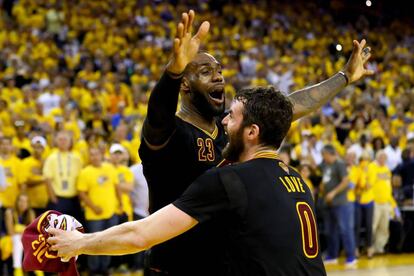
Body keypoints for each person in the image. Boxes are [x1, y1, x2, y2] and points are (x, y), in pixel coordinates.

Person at [138, 10, 373, 275]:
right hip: (174, 265)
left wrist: (343, 77)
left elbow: (291, 105)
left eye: (219, 71)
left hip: (224, 263)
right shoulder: (170, 132)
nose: (219, 77)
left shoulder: (231, 128)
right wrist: (173, 72)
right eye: (206, 72)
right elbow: (157, 114)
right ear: (185, 86)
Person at [49, 86, 326, 276]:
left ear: (252, 132)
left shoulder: (229, 180)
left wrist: (79, 243)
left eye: (232, 116)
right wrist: (344, 77)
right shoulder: (297, 180)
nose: (225, 121)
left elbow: (140, 235)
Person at [76, 147, 121, 276]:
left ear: (101, 155)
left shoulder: (110, 168)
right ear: (89, 157)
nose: (94, 157)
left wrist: (121, 204)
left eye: (96, 154)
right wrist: (94, 207)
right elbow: (82, 193)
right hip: (94, 215)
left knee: (109, 242)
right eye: (91, 155)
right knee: (93, 242)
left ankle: (104, 268)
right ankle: (94, 269)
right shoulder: (85, 172)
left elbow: (116, 186)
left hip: (111, 213)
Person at [320, 145, 356, 266]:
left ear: (330, 154)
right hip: (329, 203)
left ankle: (351, 256)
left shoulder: (339, 164)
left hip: (341, 203)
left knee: (345, 229)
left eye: (324, 154)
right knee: (330, 231)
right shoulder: (325, 165)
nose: (323, 157)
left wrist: (333, 192)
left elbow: (346, 181)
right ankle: (332, 255)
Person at [43, 131, 83, 218]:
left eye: (65, 139)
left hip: (74, 199)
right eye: (60, 139)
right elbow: (47, 179)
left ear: (70, 142)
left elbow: (81, 178)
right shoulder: (51, 158)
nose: (63, 142)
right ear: (56, 141)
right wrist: (53, 198)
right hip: (58, 199)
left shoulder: (76, 158)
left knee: (75, 228)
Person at [5, 193, 35, 276]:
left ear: (28, 204)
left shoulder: (30, 213)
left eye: (25, 201)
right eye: (20, 201)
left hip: (24, 238)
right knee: (18, 240)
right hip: (9, 239)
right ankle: (17, 269)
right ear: (16, 202)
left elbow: (33, 231)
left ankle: (37, 269)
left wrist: (21, 230)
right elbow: (11, 232)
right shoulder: (9, 212)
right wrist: (24, 230)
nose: (23, 203)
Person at [21, 136, 49, 216]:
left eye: (40, 147)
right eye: (35, 147)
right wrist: (43, 180)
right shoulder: (25, 162)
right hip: (31, 203)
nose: (37, 150)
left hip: (46, 202)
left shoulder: (48, 162)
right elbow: (26, 182)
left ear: (44, 149)